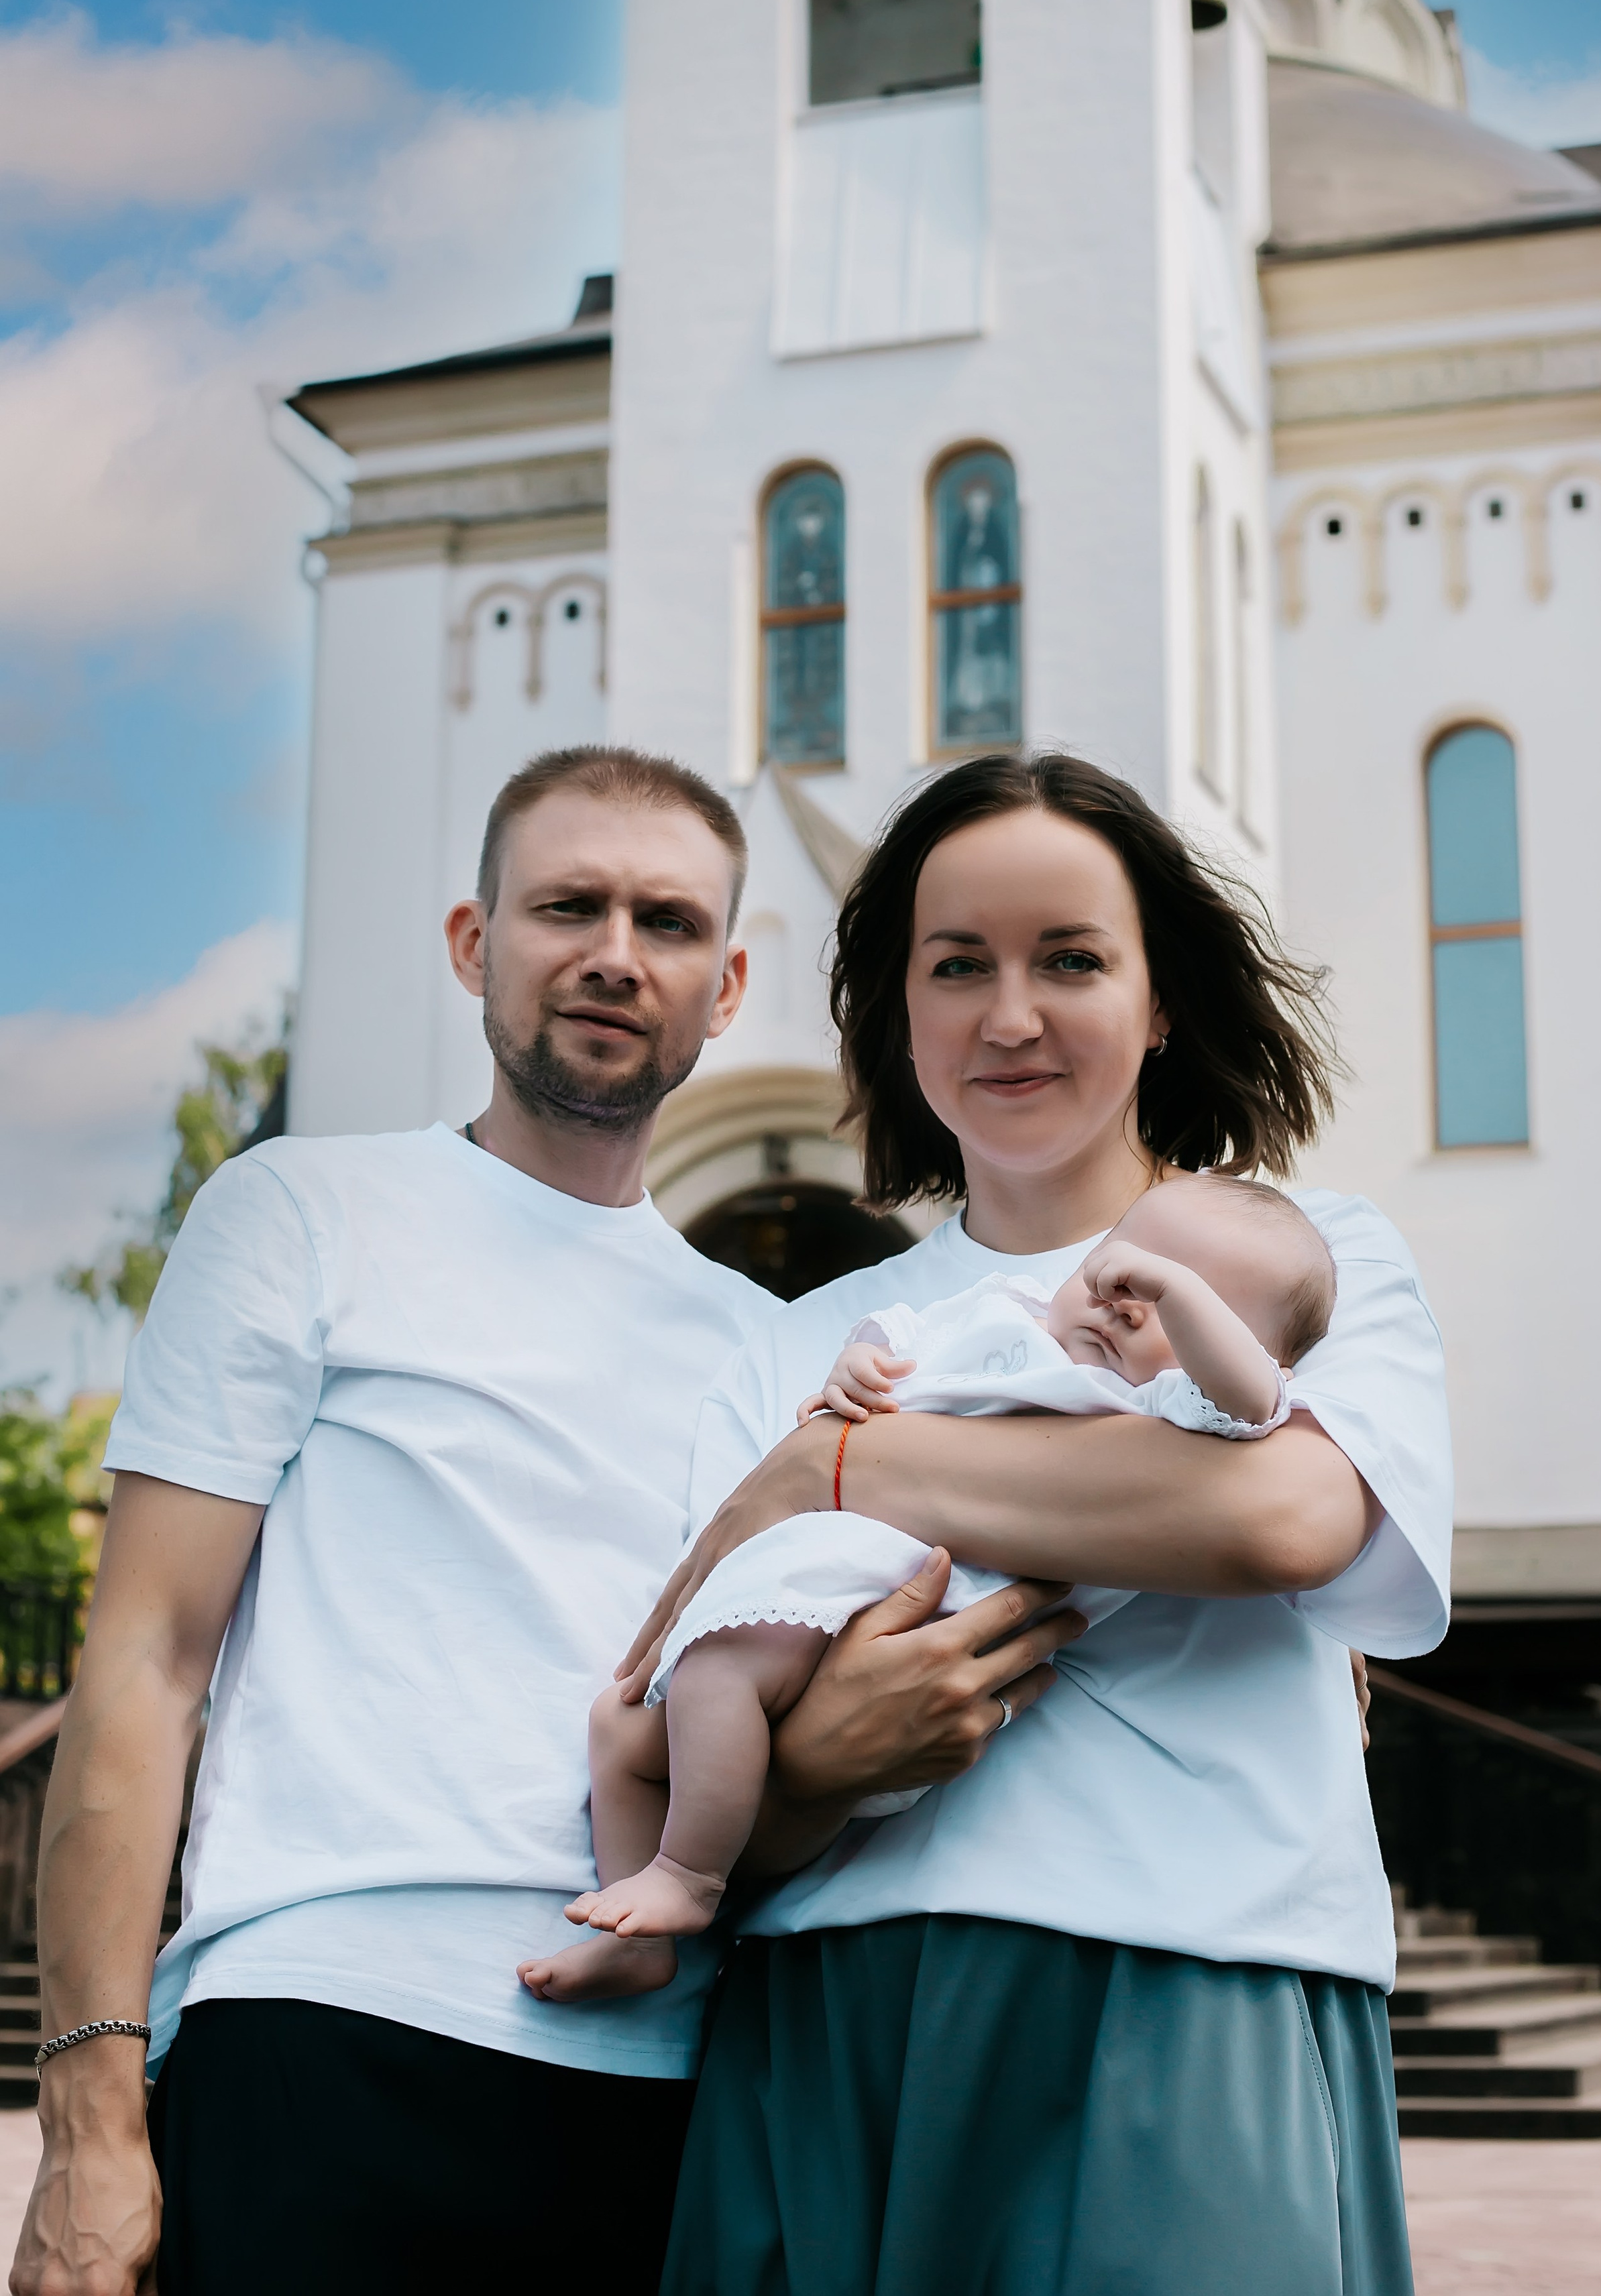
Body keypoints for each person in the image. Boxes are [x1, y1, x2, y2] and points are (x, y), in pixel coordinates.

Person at [9, 746, 1085, 2296]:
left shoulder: (768, 1349)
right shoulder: (298, 1214)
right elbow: (144, 1662)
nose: (610, 953)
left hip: (667, 2079)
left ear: (723, 988)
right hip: (323, 2020)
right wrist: (93, 2115)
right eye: (566, 905)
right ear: (473, 942)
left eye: (661, 922)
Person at [639, 750, 1450, 2296]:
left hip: (1194, 1979)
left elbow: (1281, 1515)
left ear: (1156, 1000)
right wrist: (814, 1760)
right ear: (895, 1011)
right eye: (956, 966)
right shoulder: (786, 1339)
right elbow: (690, 1705)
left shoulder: (1312, 1255)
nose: (1008, 1013)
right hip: (828, 2007)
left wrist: (845, 1469)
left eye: (1069, 958)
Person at [524, 1174, 1333, 1998]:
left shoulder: (1159, 1406)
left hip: (921, 1620)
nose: (1130, 1299)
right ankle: (634, 1939)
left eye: (1180, 1299)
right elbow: (898, 1345)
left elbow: (1252, 1403)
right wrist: (857, 1368)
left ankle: (686, 1876)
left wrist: (1177, 1292)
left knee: (715, 1679)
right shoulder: (1003, 1310)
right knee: (619, 1726)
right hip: (825, 1592)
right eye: (1122, 1265)